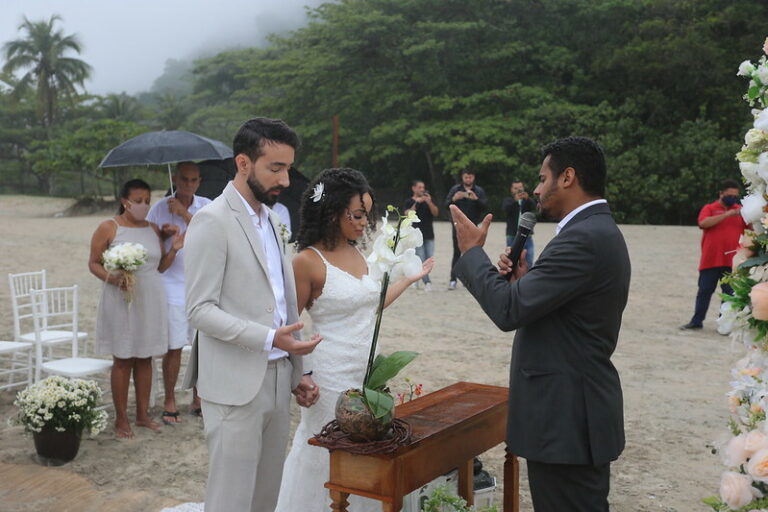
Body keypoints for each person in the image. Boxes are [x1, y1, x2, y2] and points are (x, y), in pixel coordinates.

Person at [450, 136, 631, 511]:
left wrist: (471, 254)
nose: (536, 188)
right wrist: (527, 280)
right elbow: (567, 310)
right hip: (571, 417)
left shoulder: (582, 238)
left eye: (542, 177)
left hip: (568, 420)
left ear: (567, 177)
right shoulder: (594, 230)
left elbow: (507, 311)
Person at [182, 117, 322, 512]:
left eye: (288, 168)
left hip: (280, 378)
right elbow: (198, 310)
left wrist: (301, 368)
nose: (286, 180)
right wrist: (266, 339)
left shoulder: (275, 220)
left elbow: (284, 303)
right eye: (274, 168)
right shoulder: (212, 221)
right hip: (233, 383)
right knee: (230, 500)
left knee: (266, 496)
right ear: (243, 163)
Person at [275, 168, 433, 512]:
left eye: (368, 214)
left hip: (368, 373)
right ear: (332, 211)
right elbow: (288, 323)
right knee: (328, 450)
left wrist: (408, 280)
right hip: (328, 378)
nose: (365, 223)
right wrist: (299, 375)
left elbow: (371, 308)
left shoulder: (360, 254)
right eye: (358, 214)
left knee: (367, 453)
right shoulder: (306, 262)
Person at [88, 178, 182, 439]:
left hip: (150, 298)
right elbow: (93, 263)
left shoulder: (153, 228)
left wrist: (173, 249)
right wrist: (114, 277)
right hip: (120, 299)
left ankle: (142, 415)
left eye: (147, 201)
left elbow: (160, 266)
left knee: (145, 357)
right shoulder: (109, 227)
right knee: (123, 358)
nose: (143, 205)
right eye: (138, 201)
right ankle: (121, 419)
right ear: (124, 202)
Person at [146, 162, 211, 423]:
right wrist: (163, 235)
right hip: (171, 285)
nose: (189, 184)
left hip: (201, 284)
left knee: (202, 345)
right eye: (184, 179)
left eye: (194, 180)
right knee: (174, 346)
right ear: (175, 179)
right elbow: (150, 247)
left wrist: (184, 214)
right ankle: (170, 398)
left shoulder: (207, 206)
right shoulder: (159, 209)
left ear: (199, 181)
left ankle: (199, 396)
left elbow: (212, 236)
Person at [681, 179, 747, 330]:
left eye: (735, 196)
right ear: (721, 194)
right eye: (730, 195)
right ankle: (697, 321)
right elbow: (703, 223)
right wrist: (727, 214)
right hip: (710, 260)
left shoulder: (741, 211)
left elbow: (751, 230)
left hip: (732, 262)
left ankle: (724, 324)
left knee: (729, 295)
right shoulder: (710, 208)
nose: (733, 199)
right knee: (704, 292)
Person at [444, 169, 486, 290]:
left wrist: (476, 199)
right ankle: (453, 279)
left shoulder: (478, 191)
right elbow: (446, 205)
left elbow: (485, 206)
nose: (468, 180)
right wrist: (454, 199)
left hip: (473, 226)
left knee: (472, 253)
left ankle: (469, 280)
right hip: (457, 226)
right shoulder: (455, 189)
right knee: (457, 253)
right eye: (466, 177)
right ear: (462, 177)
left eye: (470, 177)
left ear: (474, 177)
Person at [404, 179, 438, 291]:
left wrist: (429, 202)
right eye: (419, 187)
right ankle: (427, 282)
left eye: (423, 187)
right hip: (416, 236)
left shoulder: (429, 200)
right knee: (421, 259)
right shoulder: (409, 201)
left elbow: (436, 213)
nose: (422, 190)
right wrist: (417, 202)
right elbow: (408, 214)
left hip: (429, 235)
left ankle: (416, 279)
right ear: (413, 188)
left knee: (428, 259)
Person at [502, 179, 537, 269]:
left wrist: (528, 199)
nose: (518, 190)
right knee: (511, 261)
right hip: (512, 235)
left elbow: (535, 207)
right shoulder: (508, 200)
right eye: (515, 188)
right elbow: (505, 209)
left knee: (529, 261)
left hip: (527, 236)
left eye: (520, 188)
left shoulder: (527, 201)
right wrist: (515, 201)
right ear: (511, 189)